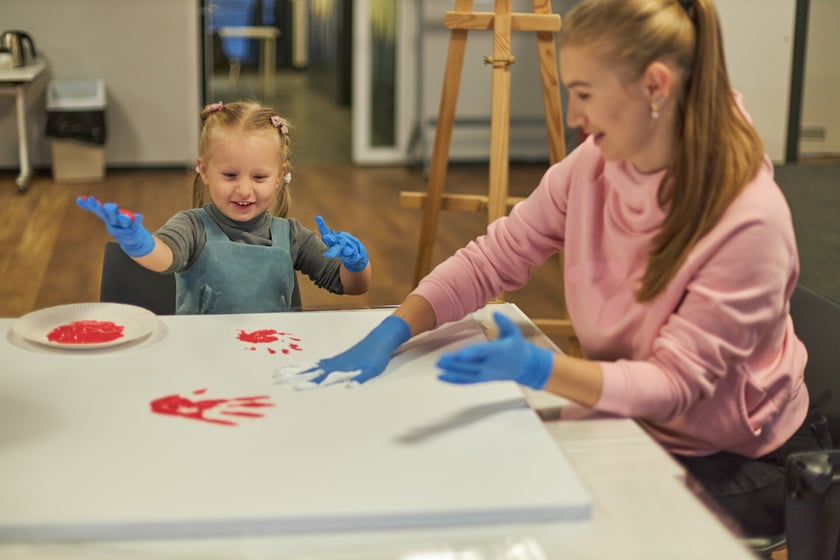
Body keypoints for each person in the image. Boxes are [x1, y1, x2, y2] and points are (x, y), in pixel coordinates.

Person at [285, 0, 830, 539]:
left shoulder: (748, 222)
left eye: (584, 94)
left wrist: (540, 370)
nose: (573, 117)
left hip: (740, 457)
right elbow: (491, 258)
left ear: (656, 87)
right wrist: (396, 327)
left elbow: (672, 387)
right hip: (639, 419)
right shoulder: (593, 166)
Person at [78, 100, 371, 314]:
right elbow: (163, 258)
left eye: (259, 177)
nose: (244, 189)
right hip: (204, 360)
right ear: (204, 171)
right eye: (230, 175)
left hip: (271, 360)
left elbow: (350, 285)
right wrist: (137, 241)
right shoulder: (192, 226)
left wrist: (356, 265)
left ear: (280, 175)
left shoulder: (291, 235)